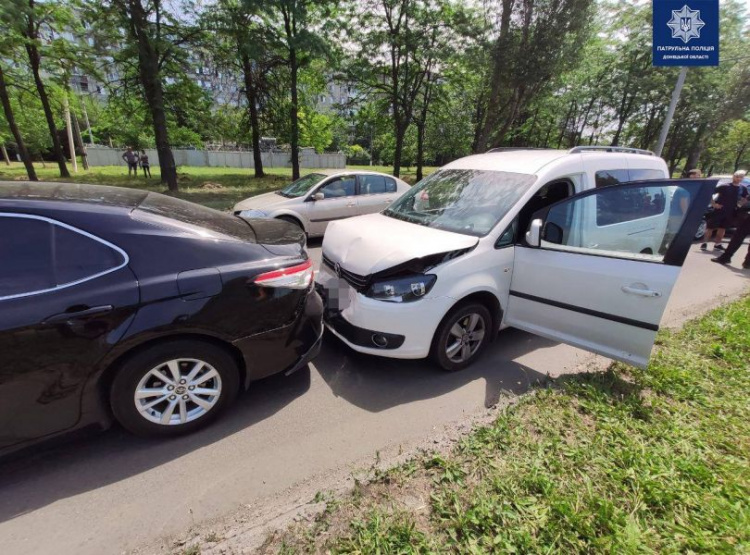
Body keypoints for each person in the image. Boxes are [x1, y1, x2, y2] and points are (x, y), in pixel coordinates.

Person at [700, 170, 749, 251]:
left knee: (722, 228)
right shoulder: (725, 186)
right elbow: (709, 193)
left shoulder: (742, 188)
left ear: (743, 178)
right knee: (710, 227)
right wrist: (713, 204)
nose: (738, 179)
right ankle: (704, 243)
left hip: (731, 211)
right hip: (719, 210)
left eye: (741, 177)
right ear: (733, 176)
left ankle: (717, 244)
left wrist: (740, 204)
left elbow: (745, 198)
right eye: (737, 177)